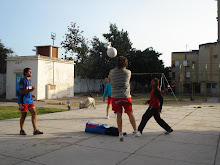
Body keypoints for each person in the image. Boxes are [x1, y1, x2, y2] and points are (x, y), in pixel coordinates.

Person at [108, 56, 141, 142]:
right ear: (126, 63)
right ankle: (135, 131)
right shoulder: (128, 72)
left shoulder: (112, 72)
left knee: (119, 115)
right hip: (126, 96)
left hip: (115, 96)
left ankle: (120, 133)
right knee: (130, 113)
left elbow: (110, 81)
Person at [18, 68, 43, 135]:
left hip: (30, 100)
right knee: (24, 115)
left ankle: (35, 130)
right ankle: (21, 130)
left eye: (31, 72)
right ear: (25, 73)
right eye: (29, 72)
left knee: (34, 113)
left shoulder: (30, 81)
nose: (30, 73)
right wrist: (31, 90)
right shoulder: (22, 81)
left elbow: (27, 91)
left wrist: (31, 95)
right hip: (23, 101)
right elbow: (21, 91)